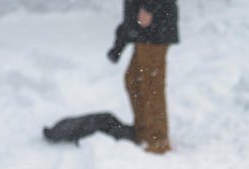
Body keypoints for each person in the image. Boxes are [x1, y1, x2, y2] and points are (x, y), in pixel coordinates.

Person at [42, 0, 178, 152]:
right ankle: (144, 132)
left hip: (157, 27)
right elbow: (131, 14)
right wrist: (118, 46)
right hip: (146, 31)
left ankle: (157, 140)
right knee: (133, 80)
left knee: (150, 83)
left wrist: (149, 7)